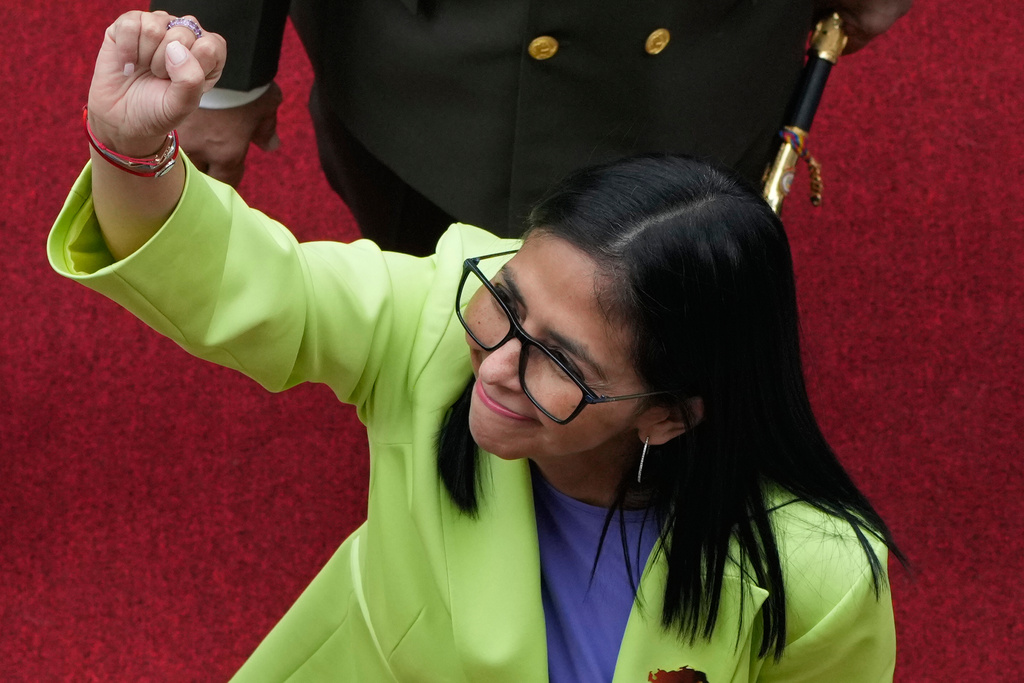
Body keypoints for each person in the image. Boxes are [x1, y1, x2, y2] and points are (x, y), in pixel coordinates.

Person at [51, 12, 902, 681]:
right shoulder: (433, 319)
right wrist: (131, 149)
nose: (492, 367)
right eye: (508, 300)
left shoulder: (823, 581)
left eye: (560, 362)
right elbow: (245, 280)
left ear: (670, 416)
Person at [150, 0, 911, 254]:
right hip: (437, 69)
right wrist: (224, 59)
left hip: (701, 51)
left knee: (677, 312)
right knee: (433, 330)